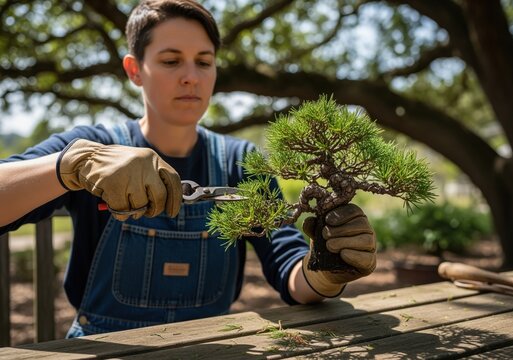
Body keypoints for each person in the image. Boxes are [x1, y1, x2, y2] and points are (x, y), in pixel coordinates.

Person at [0, 0, 376, 338]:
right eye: (170, 60)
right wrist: (72, 165)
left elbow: (290, 273)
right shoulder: (92, 146)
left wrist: (327, 269)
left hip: (211, 348)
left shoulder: (240, 162)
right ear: (134, 70)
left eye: (204, 61)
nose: (191, 77)